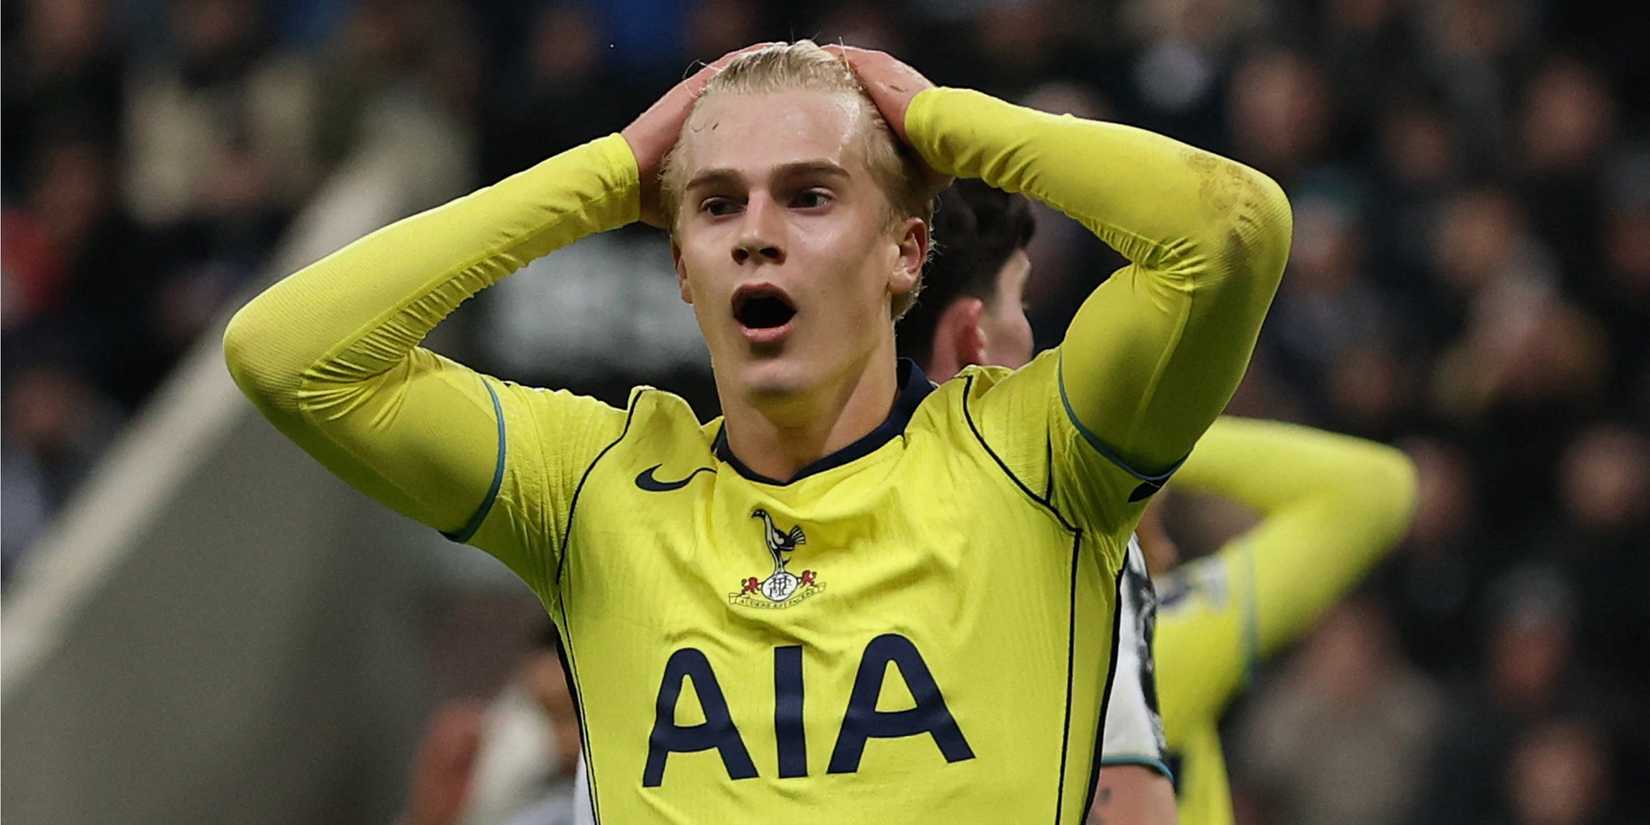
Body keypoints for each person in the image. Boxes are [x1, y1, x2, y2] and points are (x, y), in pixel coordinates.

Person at [223, 40, 1291, 821]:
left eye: (810, 197)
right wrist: (603, 177)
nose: (756, 236)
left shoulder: (1036, 461)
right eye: (718, 205)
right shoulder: (589, 488)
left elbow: (1233, 230)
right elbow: (287, 353)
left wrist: (947, 125)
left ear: (907, 253)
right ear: (681, 266)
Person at [897, 182, 1418, 825]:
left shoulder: (854, 565)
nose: (1035, 340)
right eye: (1022, 301)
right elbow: (1375, 487)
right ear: (970, 337)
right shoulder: (1138, 628)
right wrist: (1138, 445)